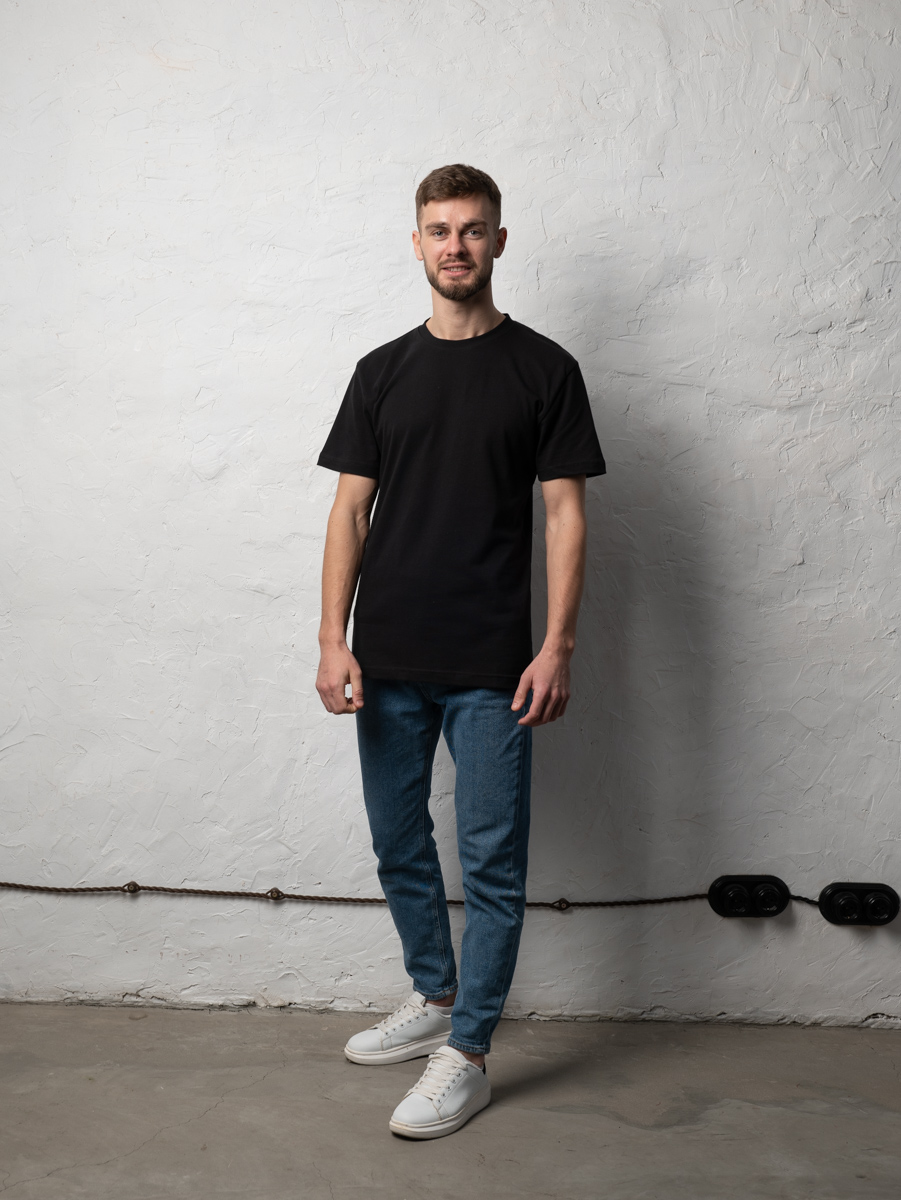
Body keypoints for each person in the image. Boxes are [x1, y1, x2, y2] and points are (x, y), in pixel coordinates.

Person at [315, 163, 605, 1139]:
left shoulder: (543, 370)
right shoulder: (381, 371)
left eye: (473, 229)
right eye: (439, 230)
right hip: (387, 658)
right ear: (416, 244)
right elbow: (350, 511)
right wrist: (332, 638)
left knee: (489, 865)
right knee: (399, 843)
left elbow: (564, 517)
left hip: (493, 666)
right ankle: (435, 997)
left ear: (498, 242)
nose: (455, 246)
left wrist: (557, 645)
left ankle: (468, 1054)